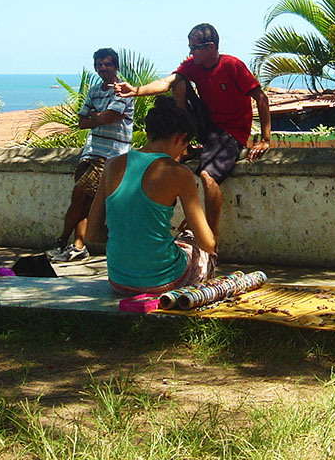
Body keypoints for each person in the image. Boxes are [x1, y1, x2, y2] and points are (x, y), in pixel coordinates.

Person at [115, 23, 270, 233]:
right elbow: (166, 83)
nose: (191, 52)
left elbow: (261, 98)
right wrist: (135, 91)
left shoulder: (232, 65)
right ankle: (185, 139)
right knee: (179, 82)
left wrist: (265, 139)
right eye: (190, 48)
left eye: (195, 48)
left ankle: (210, 240)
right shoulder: (192, 65)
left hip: (230, 133)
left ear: (211, 47)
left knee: (207, 176)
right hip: (207, 125)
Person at [86, 96, 217, 295]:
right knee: (192, 243)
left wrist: (133, 236)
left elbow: (92, 233)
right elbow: (207, 242)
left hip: (119, 281)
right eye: (185, 146)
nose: (183, 153)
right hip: (163, 281)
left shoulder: (112, 165)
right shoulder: (179, 173)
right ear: (179, 138)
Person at [47, 48, 133, 263]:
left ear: (116, 66)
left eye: (107, 64)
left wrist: (96, 116)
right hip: (91, 152)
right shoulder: (94, 90)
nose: (103, 68)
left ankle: (62, 241)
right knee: (85, 201)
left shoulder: (123, 91)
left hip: (112, 155)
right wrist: (99, 117)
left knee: (80, 195)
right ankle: (77, 246)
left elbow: (106, 118)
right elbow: (81, 121)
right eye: (99, 65)